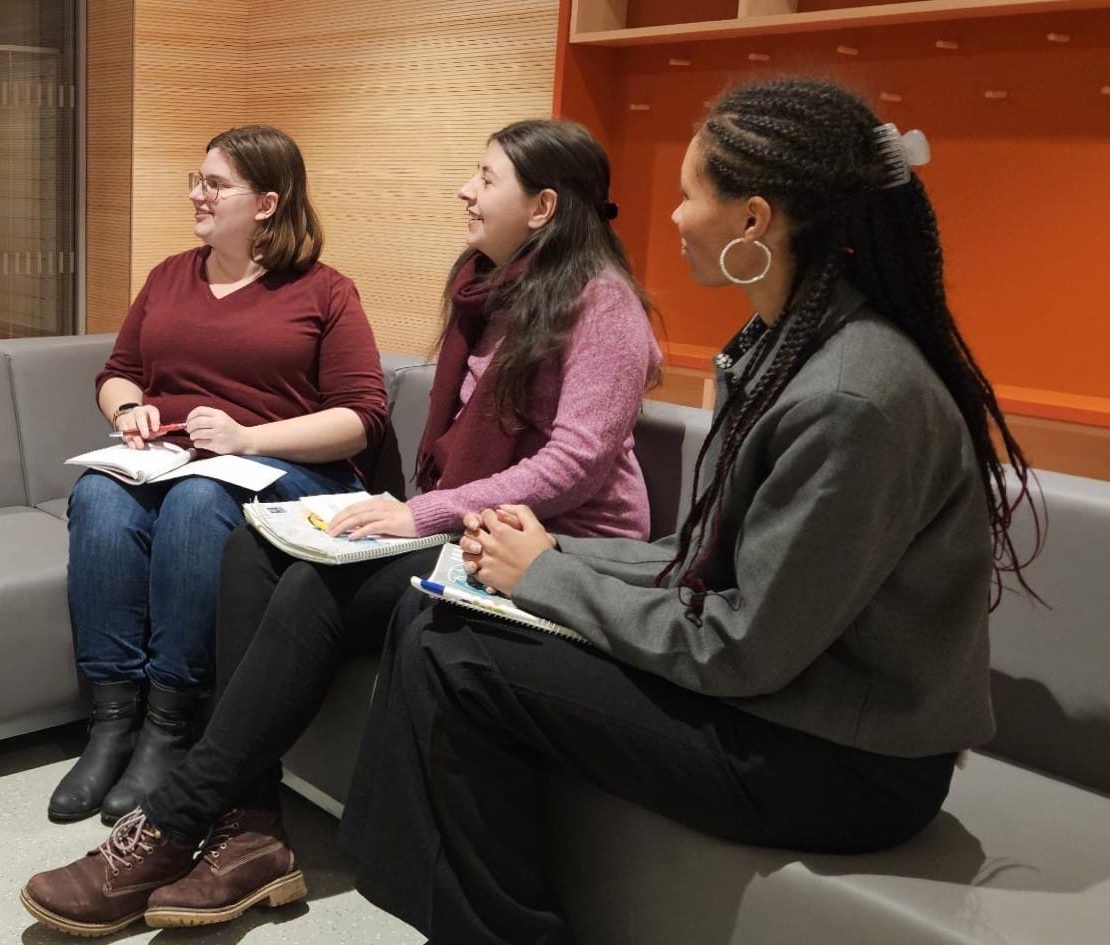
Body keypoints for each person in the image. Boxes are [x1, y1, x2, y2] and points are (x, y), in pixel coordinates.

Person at [338, 77, 1042, 945]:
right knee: (432, 608)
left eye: (687, 194)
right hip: (792, 706)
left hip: (846, 760)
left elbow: (742, 644)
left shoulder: (854, 396)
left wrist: (551, 576)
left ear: (753, 221)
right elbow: (705, 556)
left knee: (459, 654)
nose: (670, 217)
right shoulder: (793, 351)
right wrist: (553, 551)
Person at [23, 118, 661, 937]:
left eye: (485, 177)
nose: (466, 190)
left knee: (311, 580)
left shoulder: (601, 303)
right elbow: (120, 370)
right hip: (468, 523)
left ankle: (176, 818)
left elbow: (571, 465)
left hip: (552, 546)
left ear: (541, 207)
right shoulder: (484, 287)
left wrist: (416, 510)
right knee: (254, 546)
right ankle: (250, 828)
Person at [48, 125, 391, 825]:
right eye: (195, 181)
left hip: (285, 472)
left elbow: (361, 417)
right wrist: (133, 410)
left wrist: (250, 437)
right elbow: (117, 374)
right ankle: (113, 720)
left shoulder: (324, 291)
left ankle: (173, 726)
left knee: (200, 500)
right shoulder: (171, 275)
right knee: (101, 496)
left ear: (266, 203)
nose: (198, 196)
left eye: (216, 184)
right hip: (173, 460)